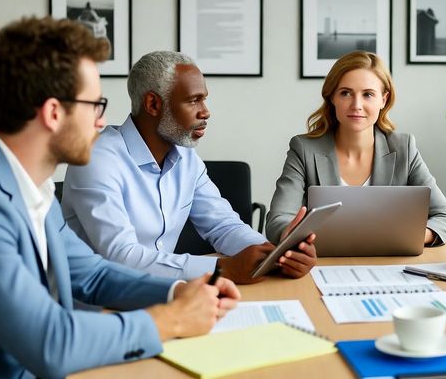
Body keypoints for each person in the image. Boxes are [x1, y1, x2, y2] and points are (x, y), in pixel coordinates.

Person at [0, 16, 240, 378]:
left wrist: (178, 292)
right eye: (95, 105)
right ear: (54, 113)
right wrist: (171, 319)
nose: (101, 122)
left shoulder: (31, 187)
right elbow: (50, 343)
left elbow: (94, 275)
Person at [61, 51, 316, 285]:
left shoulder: (186, 157)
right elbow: (121, 256)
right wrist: (220, 269)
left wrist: (278, 255)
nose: (206, 112)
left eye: (204, 100)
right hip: (96, 305)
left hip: (166, 295)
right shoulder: (96, 158)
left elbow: (223, 226)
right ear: (153, 105)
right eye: (194, 101)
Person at [266, 50, 446, 246]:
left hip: (390, 267)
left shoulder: (404, 149)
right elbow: (277, 221)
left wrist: (410, 235)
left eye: (368, 94)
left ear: (383, 99)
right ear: (332, 97)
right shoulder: (303, 149)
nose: (356, 105)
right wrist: (298, 239)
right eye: (346, 93)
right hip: (321, 265)